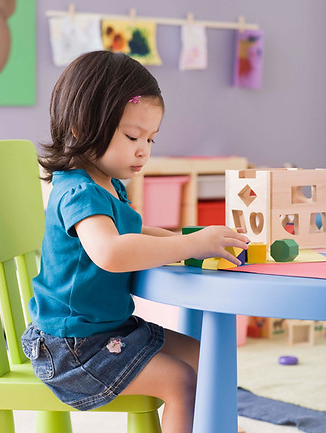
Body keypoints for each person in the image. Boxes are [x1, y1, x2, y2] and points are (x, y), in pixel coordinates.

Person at [21, 50, 249, 433]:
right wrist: (189, 246)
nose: (144, 149)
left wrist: (185, 238)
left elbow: (132, 233)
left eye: (151, 139)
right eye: (132, 136)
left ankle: (216, 426)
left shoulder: (107, 185)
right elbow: (111, 251)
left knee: (209, 358)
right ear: (81, 127)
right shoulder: (79, 190)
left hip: (107, 330)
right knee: (181, 381)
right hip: (73, 347)